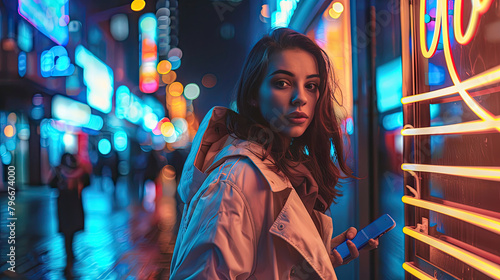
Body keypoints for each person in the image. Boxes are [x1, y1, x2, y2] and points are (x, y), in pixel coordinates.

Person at [169, 28, 378, 279]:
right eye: (282, 83)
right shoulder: (235, 182)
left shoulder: (280, 165)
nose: (300, 97)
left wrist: (317, 258)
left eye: (311, 85)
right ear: (254, 95)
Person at [50, 153, 90, 278]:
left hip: (67, 204)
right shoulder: (77, 171)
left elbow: (51, 184)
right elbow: (51, 184)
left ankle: (70, 254)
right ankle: (69, 255)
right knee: (68, 231)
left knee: (69, 231)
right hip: (70, 204)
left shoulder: (60, 171)